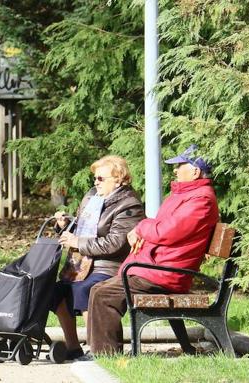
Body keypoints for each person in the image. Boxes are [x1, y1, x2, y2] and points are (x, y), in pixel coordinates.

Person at [87, 144, 219, 355]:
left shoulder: (200, 200)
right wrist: (145, 228)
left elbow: (165, 231)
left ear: (195, 171)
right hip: (157, 267)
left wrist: (140, 226)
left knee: (104, 295)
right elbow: (160, 228)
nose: (175, 170)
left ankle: (106, 356)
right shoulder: (185, 195)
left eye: (180, 166)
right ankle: (102, 353)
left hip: (166, 273)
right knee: (97, 290)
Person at [51, 155, 144, 360]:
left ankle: (98, 349)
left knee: (85, 289)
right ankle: (73, 347)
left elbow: (115, 243)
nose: (96, 182)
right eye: (95, 178)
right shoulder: (93, 197)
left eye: (101, 178)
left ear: (119, 179)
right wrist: (65, 226)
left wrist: (78, 243)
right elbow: (82, 227)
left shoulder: (129, 206)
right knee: (56, 290)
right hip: (82, 264)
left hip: (110, 266)